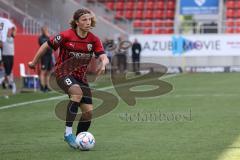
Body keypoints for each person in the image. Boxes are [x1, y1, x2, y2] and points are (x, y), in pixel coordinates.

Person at [28, 8, 109, 149]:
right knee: (77, 93)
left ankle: (79, 141)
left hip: (81, 78)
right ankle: (68, 133)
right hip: (63, 73)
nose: (88, 22)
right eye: (84, 19)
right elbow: (45, 46)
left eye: (89, 19)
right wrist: (34, 62)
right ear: (77, 22)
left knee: (88, 113)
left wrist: (104, 63)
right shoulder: (66, 35)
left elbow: (103, 56)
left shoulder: (94, 40)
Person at [0, 18, 17, 94]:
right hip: (5, 55)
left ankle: (4, 81)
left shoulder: (12, 37)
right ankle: (11, 84)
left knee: (9, 71)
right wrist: (4, 25)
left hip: (11, 55)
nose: (9, 32)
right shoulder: (3, 37)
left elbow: (14, 29)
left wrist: (11, 23)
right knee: (7, 71)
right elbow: (2, 28)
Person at [38, 26, 53, 92]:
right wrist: (48, 37)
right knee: (43, 71)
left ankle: (47, 86)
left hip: (49, 55)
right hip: (44, 56)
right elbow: (45, 45)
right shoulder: (41, 38)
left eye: (47, 29)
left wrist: (49, 37)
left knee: (49, 71)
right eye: (45, 30)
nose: (46, 31)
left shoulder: (48, 37)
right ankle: (42, 86)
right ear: (42, 31)